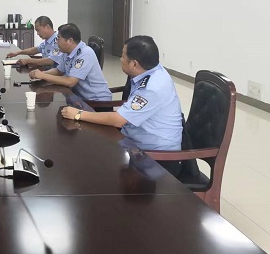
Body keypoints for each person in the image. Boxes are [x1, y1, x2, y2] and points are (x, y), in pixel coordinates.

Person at [60, 36, 184, 172]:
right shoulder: (150, 70)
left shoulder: (152, 87)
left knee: (94, 165)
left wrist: (78, 114)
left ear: (134, 64)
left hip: (156, 158)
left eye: (123, 56)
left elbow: (119, 120)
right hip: (134, 141)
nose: (120, 59)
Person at [29, 23, 111, 101]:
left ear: (70, 40)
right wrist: (41, 73)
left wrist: (43, 76)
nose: (56, 42)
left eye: (58, 39)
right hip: (79, 97)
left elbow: (70, 81)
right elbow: (59, 71)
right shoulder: (68, 51)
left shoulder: (85, 53)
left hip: (96, 102)